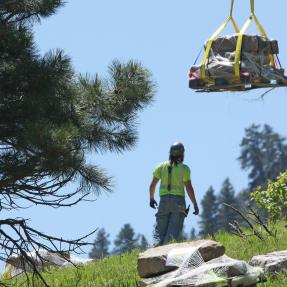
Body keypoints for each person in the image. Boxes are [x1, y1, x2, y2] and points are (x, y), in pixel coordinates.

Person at [149, 142, 199, 246]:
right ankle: (167, 258)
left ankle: (152, 256)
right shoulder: (185, 169)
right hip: (178, 203)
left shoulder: (161, 166)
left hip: (163, 202)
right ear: (182, 154)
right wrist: (195, 204)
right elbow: (189, 188)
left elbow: (152, 185)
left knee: (159, 234)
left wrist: (151, 198)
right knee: (172, 235)